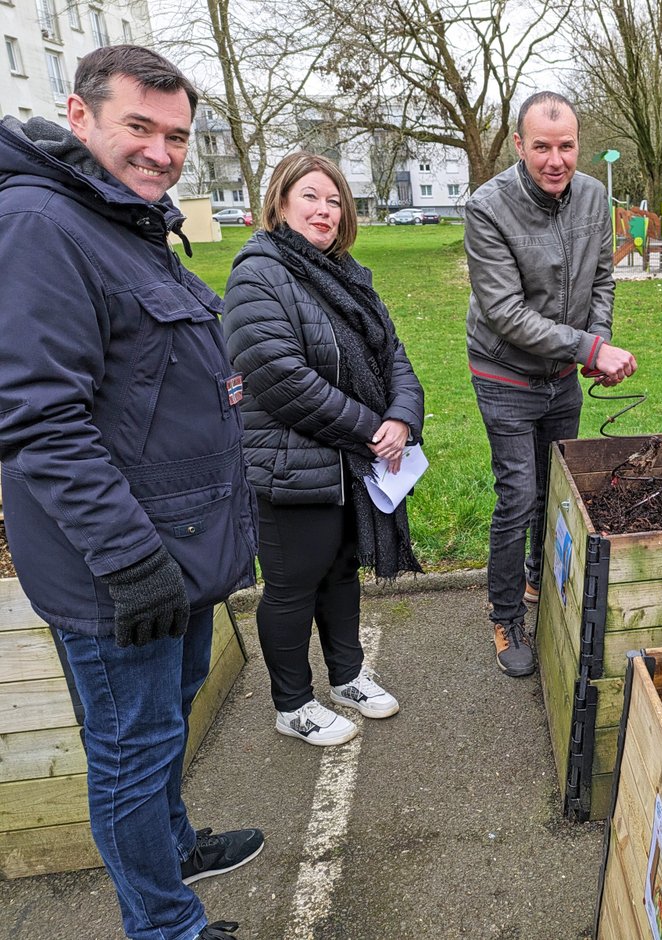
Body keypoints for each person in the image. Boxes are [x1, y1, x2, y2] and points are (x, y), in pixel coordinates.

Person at [0, 46, 261, 940]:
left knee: (162, 727)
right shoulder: (41, 227)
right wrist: (130, 561)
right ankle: (164, 926)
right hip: (123, 570)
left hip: (176, 550)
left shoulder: (120, 221)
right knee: (129, 751)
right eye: (138, 128)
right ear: (80, 117)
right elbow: (39, 419)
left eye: (177, 135)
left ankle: (174, 843)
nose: (161, 152)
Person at [223, 152, 424, 746]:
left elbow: (394, 355)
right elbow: (280, 377)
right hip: (291, 463)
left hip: (347, 465)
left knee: (340, 572)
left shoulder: (346, 273)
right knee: (292, 586)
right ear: (280, 201)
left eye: (335, 200)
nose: (325, 210)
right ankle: (292, 705)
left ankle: (348, 676)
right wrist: (370, 429)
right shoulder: (257, 273)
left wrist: (401, 417)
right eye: (311, 196)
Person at [465, 91, 637, 678]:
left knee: (557, 486)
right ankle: (505, 612)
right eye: (542, 146)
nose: (555, 159)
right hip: (504, 371)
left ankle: (540, 580)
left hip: (561, 373)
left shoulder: (593, 195)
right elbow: (505, 313)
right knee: (518, 492)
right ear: (519, 145)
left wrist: (597, 343)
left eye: (566, 146)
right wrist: (590, 346)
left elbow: (604, 278)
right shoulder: (487, 207)